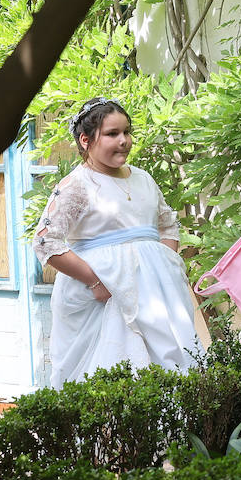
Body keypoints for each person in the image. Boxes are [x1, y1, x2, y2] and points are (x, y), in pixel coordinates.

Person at [33, 97, 202, 387]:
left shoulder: (144, 179)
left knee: (170, 372)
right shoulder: (77, 186)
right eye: (112, 134)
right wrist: (97, 282)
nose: (123, 140)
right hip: (104, 297)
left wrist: (162, 267)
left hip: (157, 299)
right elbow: (46, 243)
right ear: (86, 140)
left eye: (127, 132)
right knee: (115, 375)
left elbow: (168, 225)